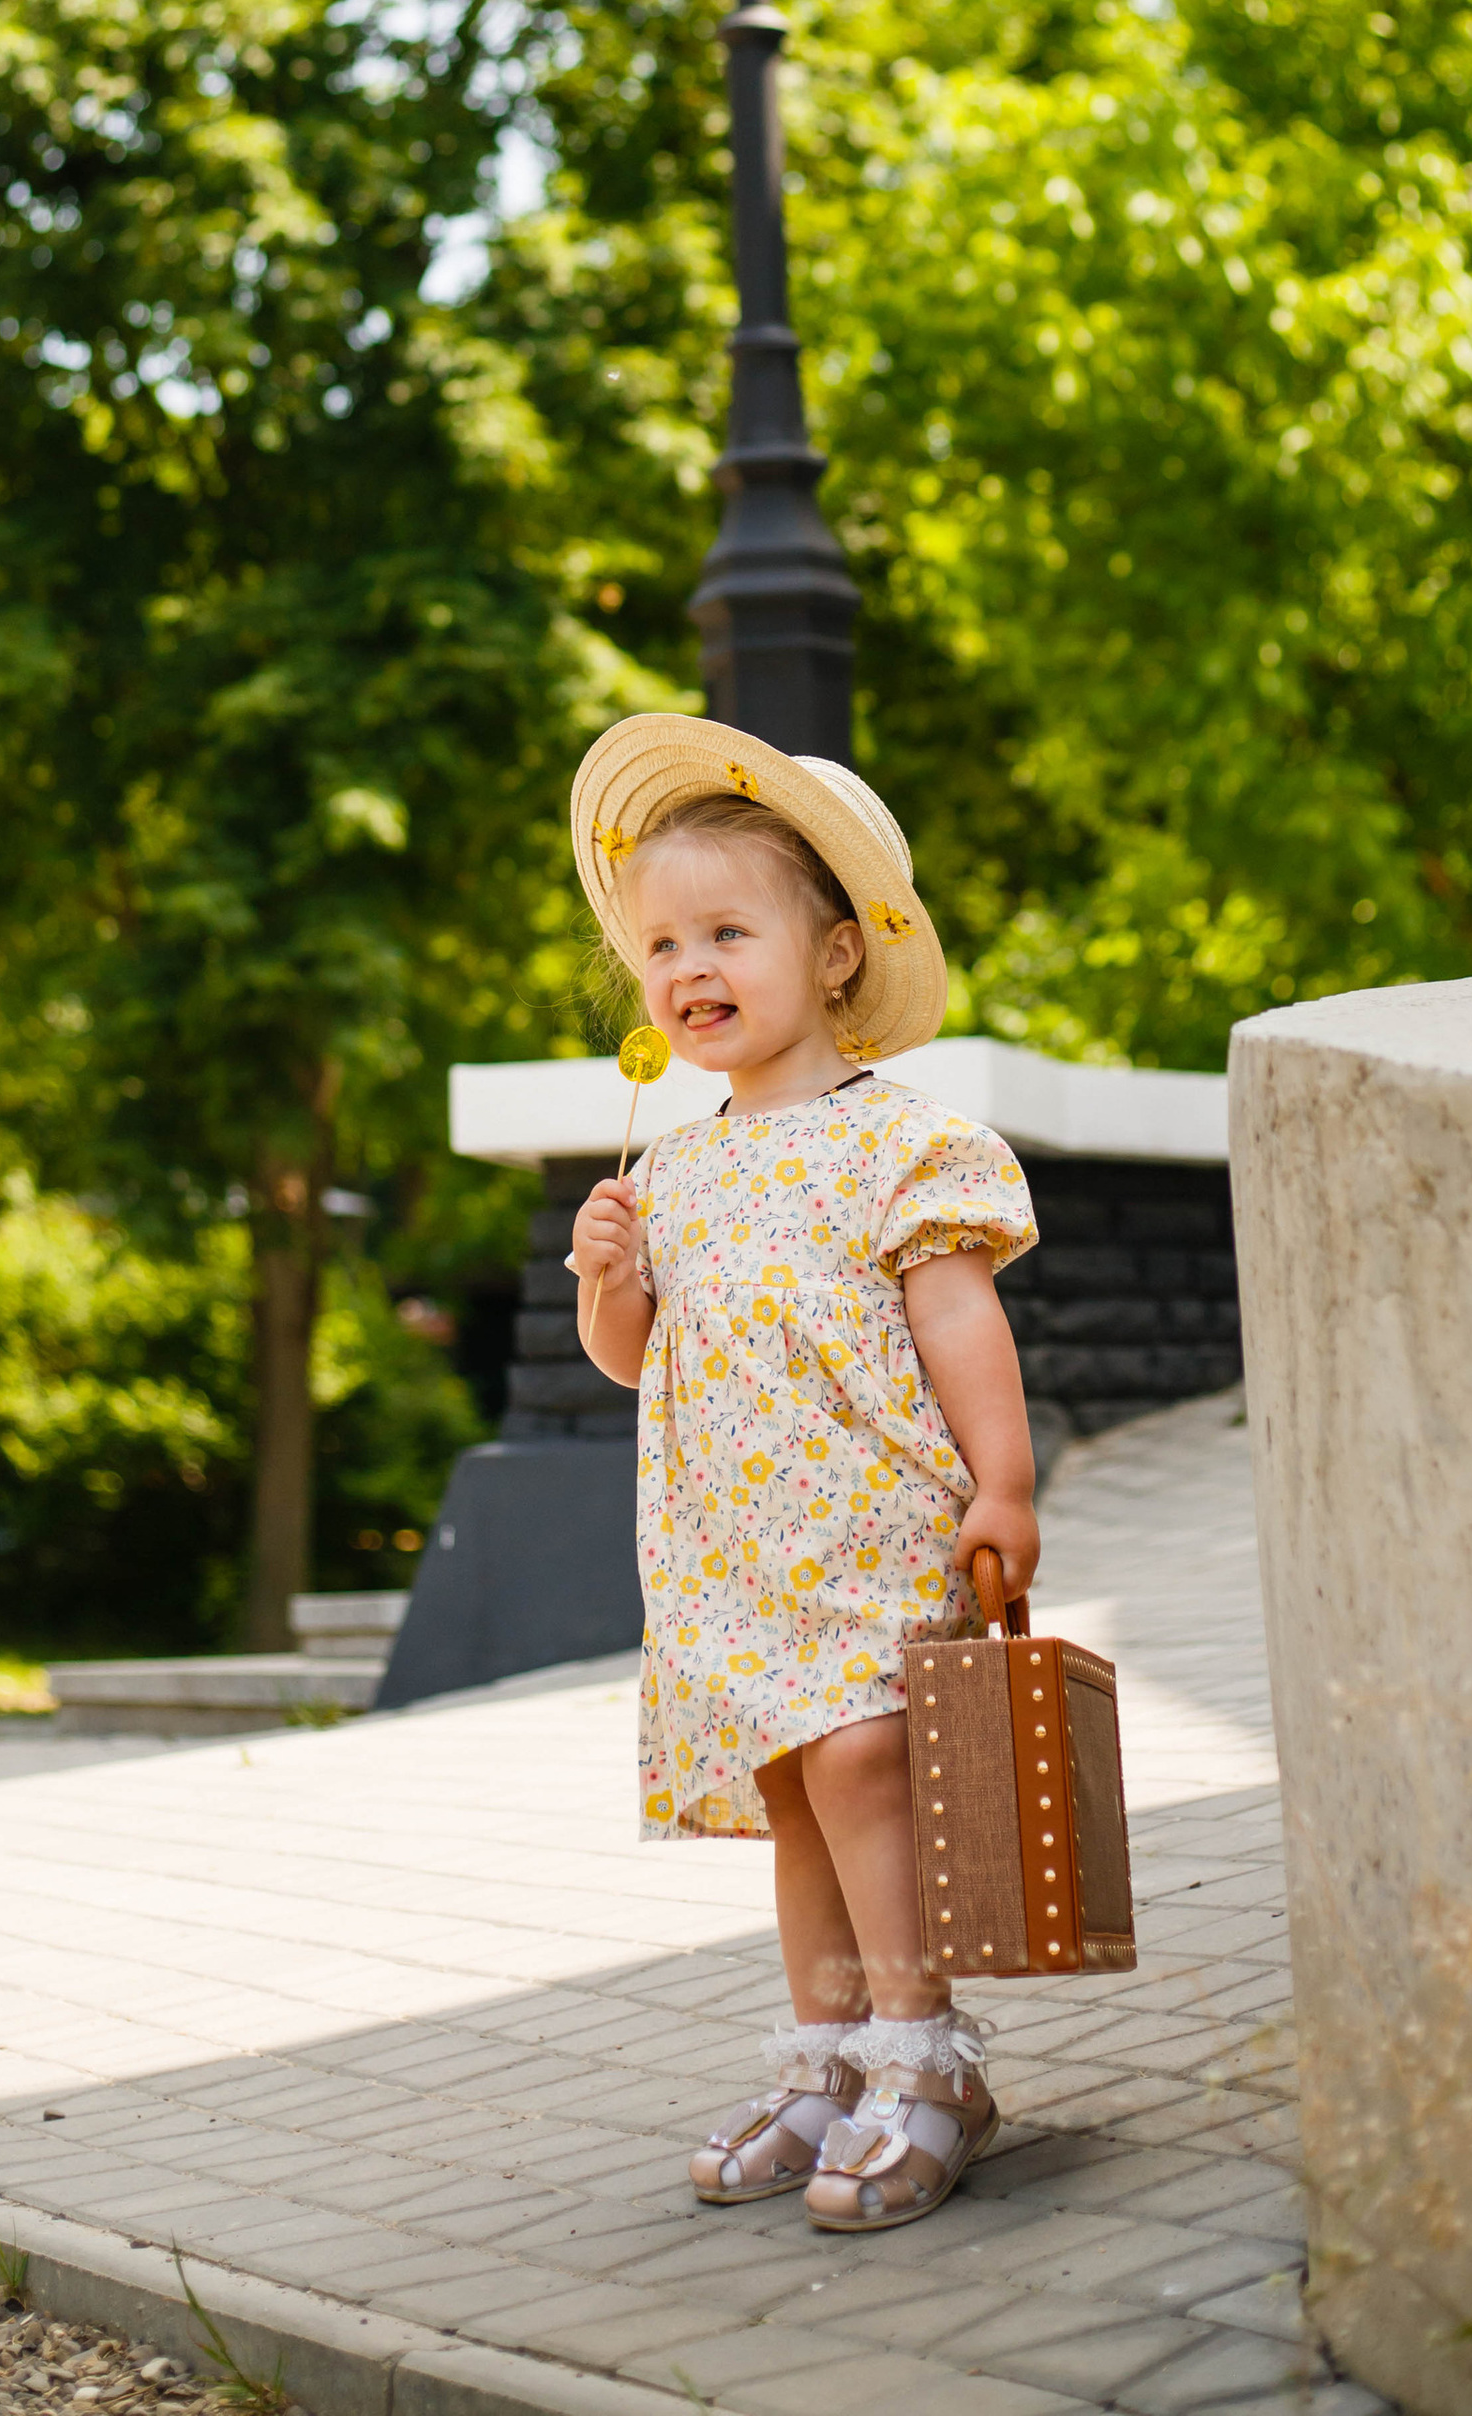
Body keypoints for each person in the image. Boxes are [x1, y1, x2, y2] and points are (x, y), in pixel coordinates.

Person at [565, 712, 1041, 2233]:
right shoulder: (673, 1168)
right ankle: (829, 2052)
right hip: (727, 1545)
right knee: (790, 1786)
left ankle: (926, 2057)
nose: (689, 968)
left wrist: (1004, 1484)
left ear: (835, 953)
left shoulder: (902, 1144)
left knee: (858, 1760)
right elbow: (638, 1364)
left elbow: (961, 1315)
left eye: (727, 931)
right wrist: (608, 1283)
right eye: (661, 946)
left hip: (869, 1517)